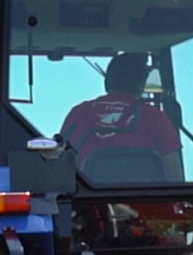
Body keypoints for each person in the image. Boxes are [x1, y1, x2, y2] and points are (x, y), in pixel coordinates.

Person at [59, 52, 184, 182]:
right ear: (140, 83)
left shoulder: (78, 114)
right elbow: (175, 178)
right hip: (144, 201)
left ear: (108, 80)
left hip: (86, 200)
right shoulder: (155, 117)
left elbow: (59, 168)